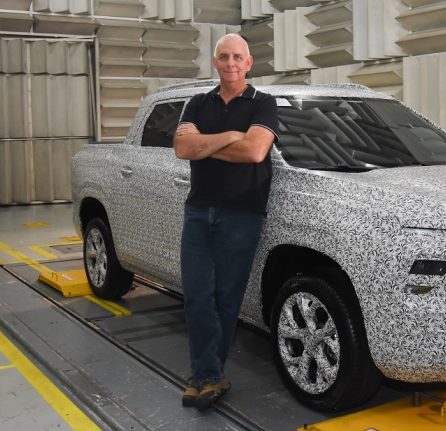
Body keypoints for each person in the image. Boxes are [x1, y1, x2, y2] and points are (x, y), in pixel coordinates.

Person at [172, 34, 278, 411]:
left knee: (225, 298)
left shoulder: (263, 102)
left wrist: (206, 144)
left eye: (237, 57)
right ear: (214, 62)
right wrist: (232, 136)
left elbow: (255, 151)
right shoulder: (198, 102)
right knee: (197, 295)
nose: (230, 63)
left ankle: (205, 376)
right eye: (224, 56)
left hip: (243, 211)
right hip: (199, 210)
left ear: (248, 63)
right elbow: (183, 147)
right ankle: (208, 375)